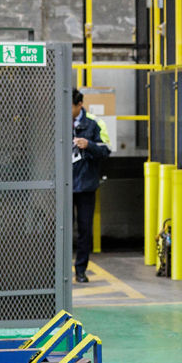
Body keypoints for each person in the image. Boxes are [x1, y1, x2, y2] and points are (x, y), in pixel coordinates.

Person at [72, 89, 111, 284]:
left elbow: (106, 150)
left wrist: (89, 144)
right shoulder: (58, 121)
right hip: (64, 186)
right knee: (60, 230)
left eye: (70, 106)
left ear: (79, 105)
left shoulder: (94, 124)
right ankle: (58, 271)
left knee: (85, 230)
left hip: (86, 184)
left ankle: (80, 270)